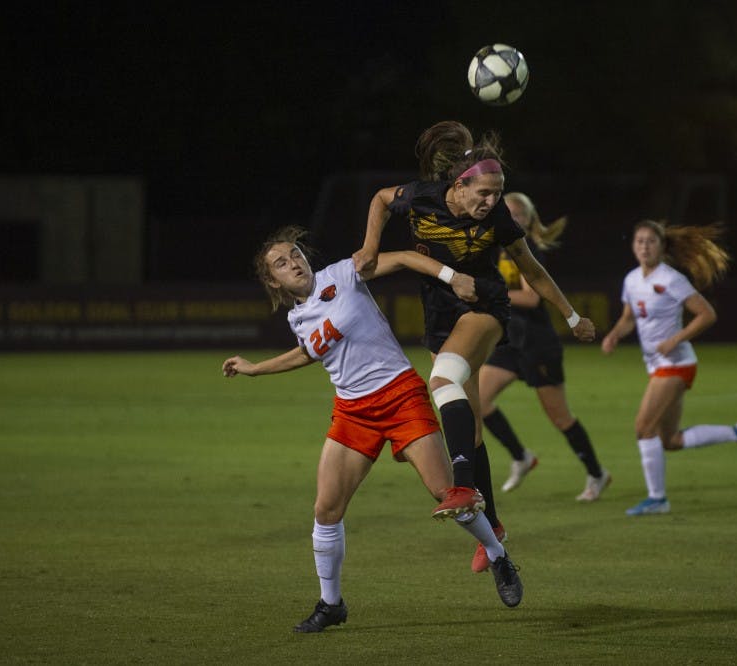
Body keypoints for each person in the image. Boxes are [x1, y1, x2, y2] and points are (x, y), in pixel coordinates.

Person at [221, 226, 522, 635]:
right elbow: (308, 353)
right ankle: (331, 604)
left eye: (295, 255)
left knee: (446, 492)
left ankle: (497, 554)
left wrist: (450, 277)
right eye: (281, 263)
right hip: (353, 411)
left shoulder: (343, 274)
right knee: (326, 509)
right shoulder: (297, 316)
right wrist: (254, 368)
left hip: (400, 395)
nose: (293, 264)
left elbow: (401, 258)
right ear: (273, 280)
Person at [352, 121, 596, 573]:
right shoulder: (420, 197)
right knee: (471, 426)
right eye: (483, 193)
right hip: (440, 315)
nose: (491, 202)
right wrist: (369, 246)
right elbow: (381, 199)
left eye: (497, 193)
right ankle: (494, 528)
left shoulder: (499, 219)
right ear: (459, 186)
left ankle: (463, 487)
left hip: (485, 307)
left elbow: (535, 270)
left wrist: (572, 315)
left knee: (443, 379)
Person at [600, 220, 737, 517]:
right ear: (633, 246)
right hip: (658, 366)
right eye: (639, 241)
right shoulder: (631, 280)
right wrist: (614, 334)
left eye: (650, 241)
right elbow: (629, 317)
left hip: (677, 363)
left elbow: (707, 314)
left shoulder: (672, 279)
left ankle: (657, 499)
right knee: (670, 440)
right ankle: (736, 433)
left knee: (643, 428)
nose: (644, 246)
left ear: (662, 247)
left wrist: (674, 339)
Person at [479, 192, 611, 502]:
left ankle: (597, 473)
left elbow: (531, 297)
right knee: (478, 401)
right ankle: (521, 456)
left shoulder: (529, 248)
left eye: (517, 214)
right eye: (505, 212)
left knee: (560, 418)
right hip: (511, 341)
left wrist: (491, 293)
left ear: (527, 219)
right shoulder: (496, 249)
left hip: (538, 344)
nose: (510, 218)